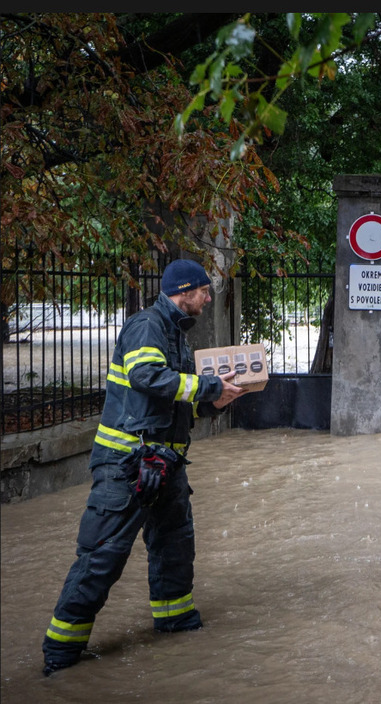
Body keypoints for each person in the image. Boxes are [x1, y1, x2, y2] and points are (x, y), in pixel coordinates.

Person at [42, 259, 246, 676]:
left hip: (166, 462)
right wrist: (205, 386)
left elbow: (172, 397)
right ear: (185, 290)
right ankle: (61, 654)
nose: (208, 299)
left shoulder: (176, 335)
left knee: (175, 547)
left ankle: (176, 625)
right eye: (204, 291)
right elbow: (147, 377)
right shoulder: (147, 326)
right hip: (125, 464)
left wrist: (211, 402)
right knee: (102, 557)